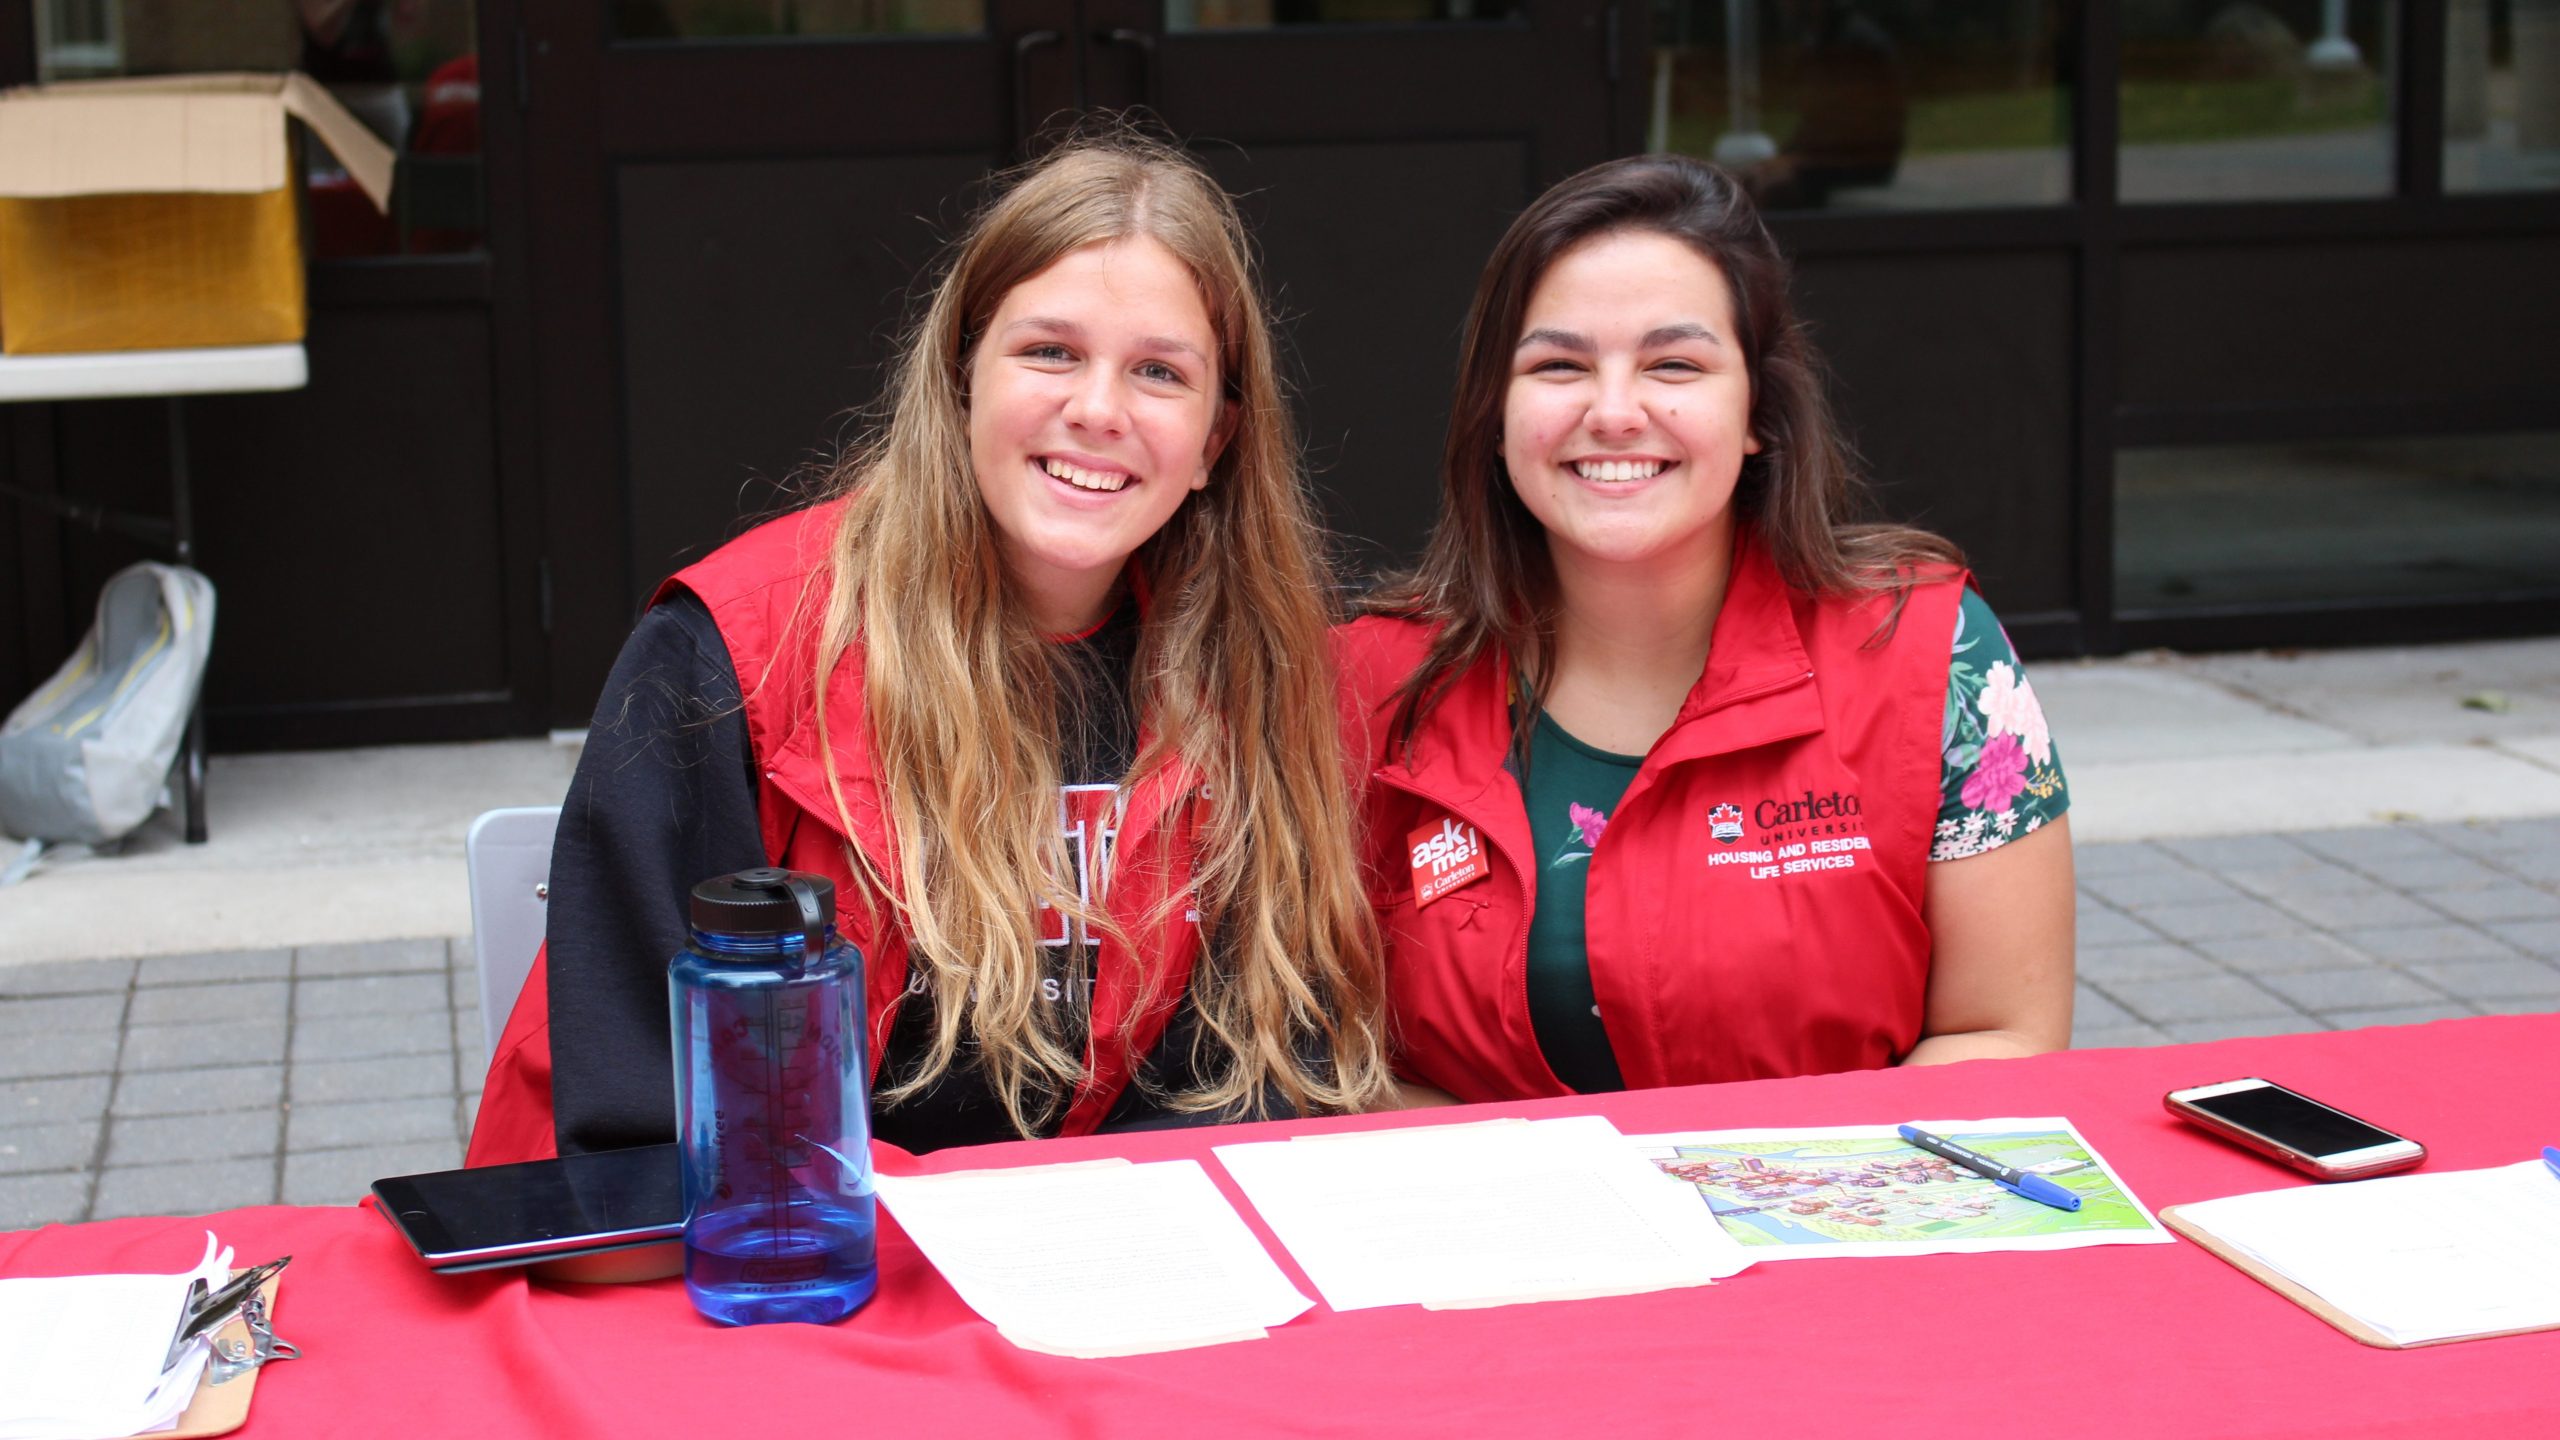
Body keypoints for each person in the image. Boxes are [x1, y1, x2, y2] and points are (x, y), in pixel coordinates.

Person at [469, 133, 1391, 1164]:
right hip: (808, 1261)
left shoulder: (1262, 666)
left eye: (1159, 373)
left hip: (1126, 1260)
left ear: (1216, 441)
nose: (1097, 409)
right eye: (1049, 352)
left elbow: (1264, 1081)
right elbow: (637, 1120)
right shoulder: (734, 655)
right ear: (961, 380)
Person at [1337, 154, 2073, 1106]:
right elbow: (1323, 1056)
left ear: (1758, 411)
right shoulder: (1364, 683)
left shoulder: (1938, 657)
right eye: (1559, 366)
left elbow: (2002, 1032)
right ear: (1494, 414)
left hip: (1846, 1229)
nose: (1612, 412)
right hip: (1506, 1234)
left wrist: (1765, 1196)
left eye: (1673, 365)